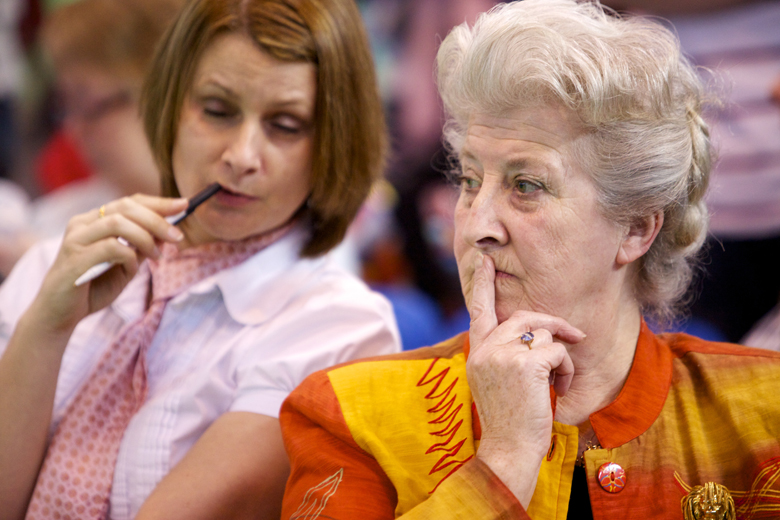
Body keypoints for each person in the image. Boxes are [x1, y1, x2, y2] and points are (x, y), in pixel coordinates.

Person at [280, 1, 780, 518]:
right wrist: (505, 459)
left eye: (526, 185)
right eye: (470, 181)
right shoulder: (348, 412)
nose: (476, 226)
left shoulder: (765, 408)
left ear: (635, 229)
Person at [0, 0, 400, 518]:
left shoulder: (338, 327)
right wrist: (46, 327)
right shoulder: (58, 263)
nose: (241, 155)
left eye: (285, 124)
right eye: (217, 110)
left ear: (334, 143)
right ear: (167, 105)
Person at [0, 0, 182, 277]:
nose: (73, 129)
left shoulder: (224, 226)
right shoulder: (70, 212)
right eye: (66, 105)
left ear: (161, 95)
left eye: (88, 106)